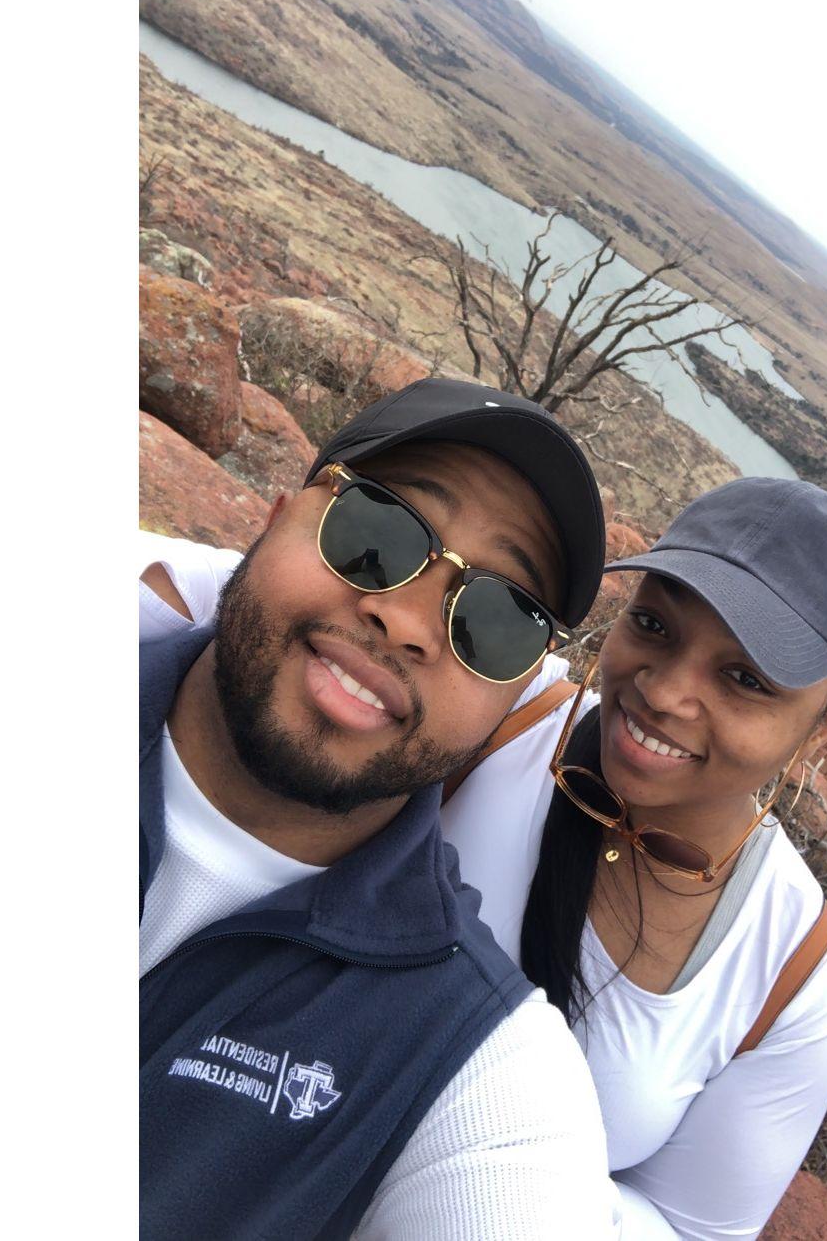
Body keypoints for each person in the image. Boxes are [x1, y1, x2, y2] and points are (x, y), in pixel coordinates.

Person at [150, 468, 827, 1237]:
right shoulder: (495, 717)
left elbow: (690, 1226)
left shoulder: (797, 976)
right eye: (656, 628)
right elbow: (242, 604)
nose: (666, 693)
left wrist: (470, 1160)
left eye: (743, 679)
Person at [139, 378, 624, 1239]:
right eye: (376, 529)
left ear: (515, 689)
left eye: (499, 617)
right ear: (278, 512)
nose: (406, 622)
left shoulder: (471, 1063)